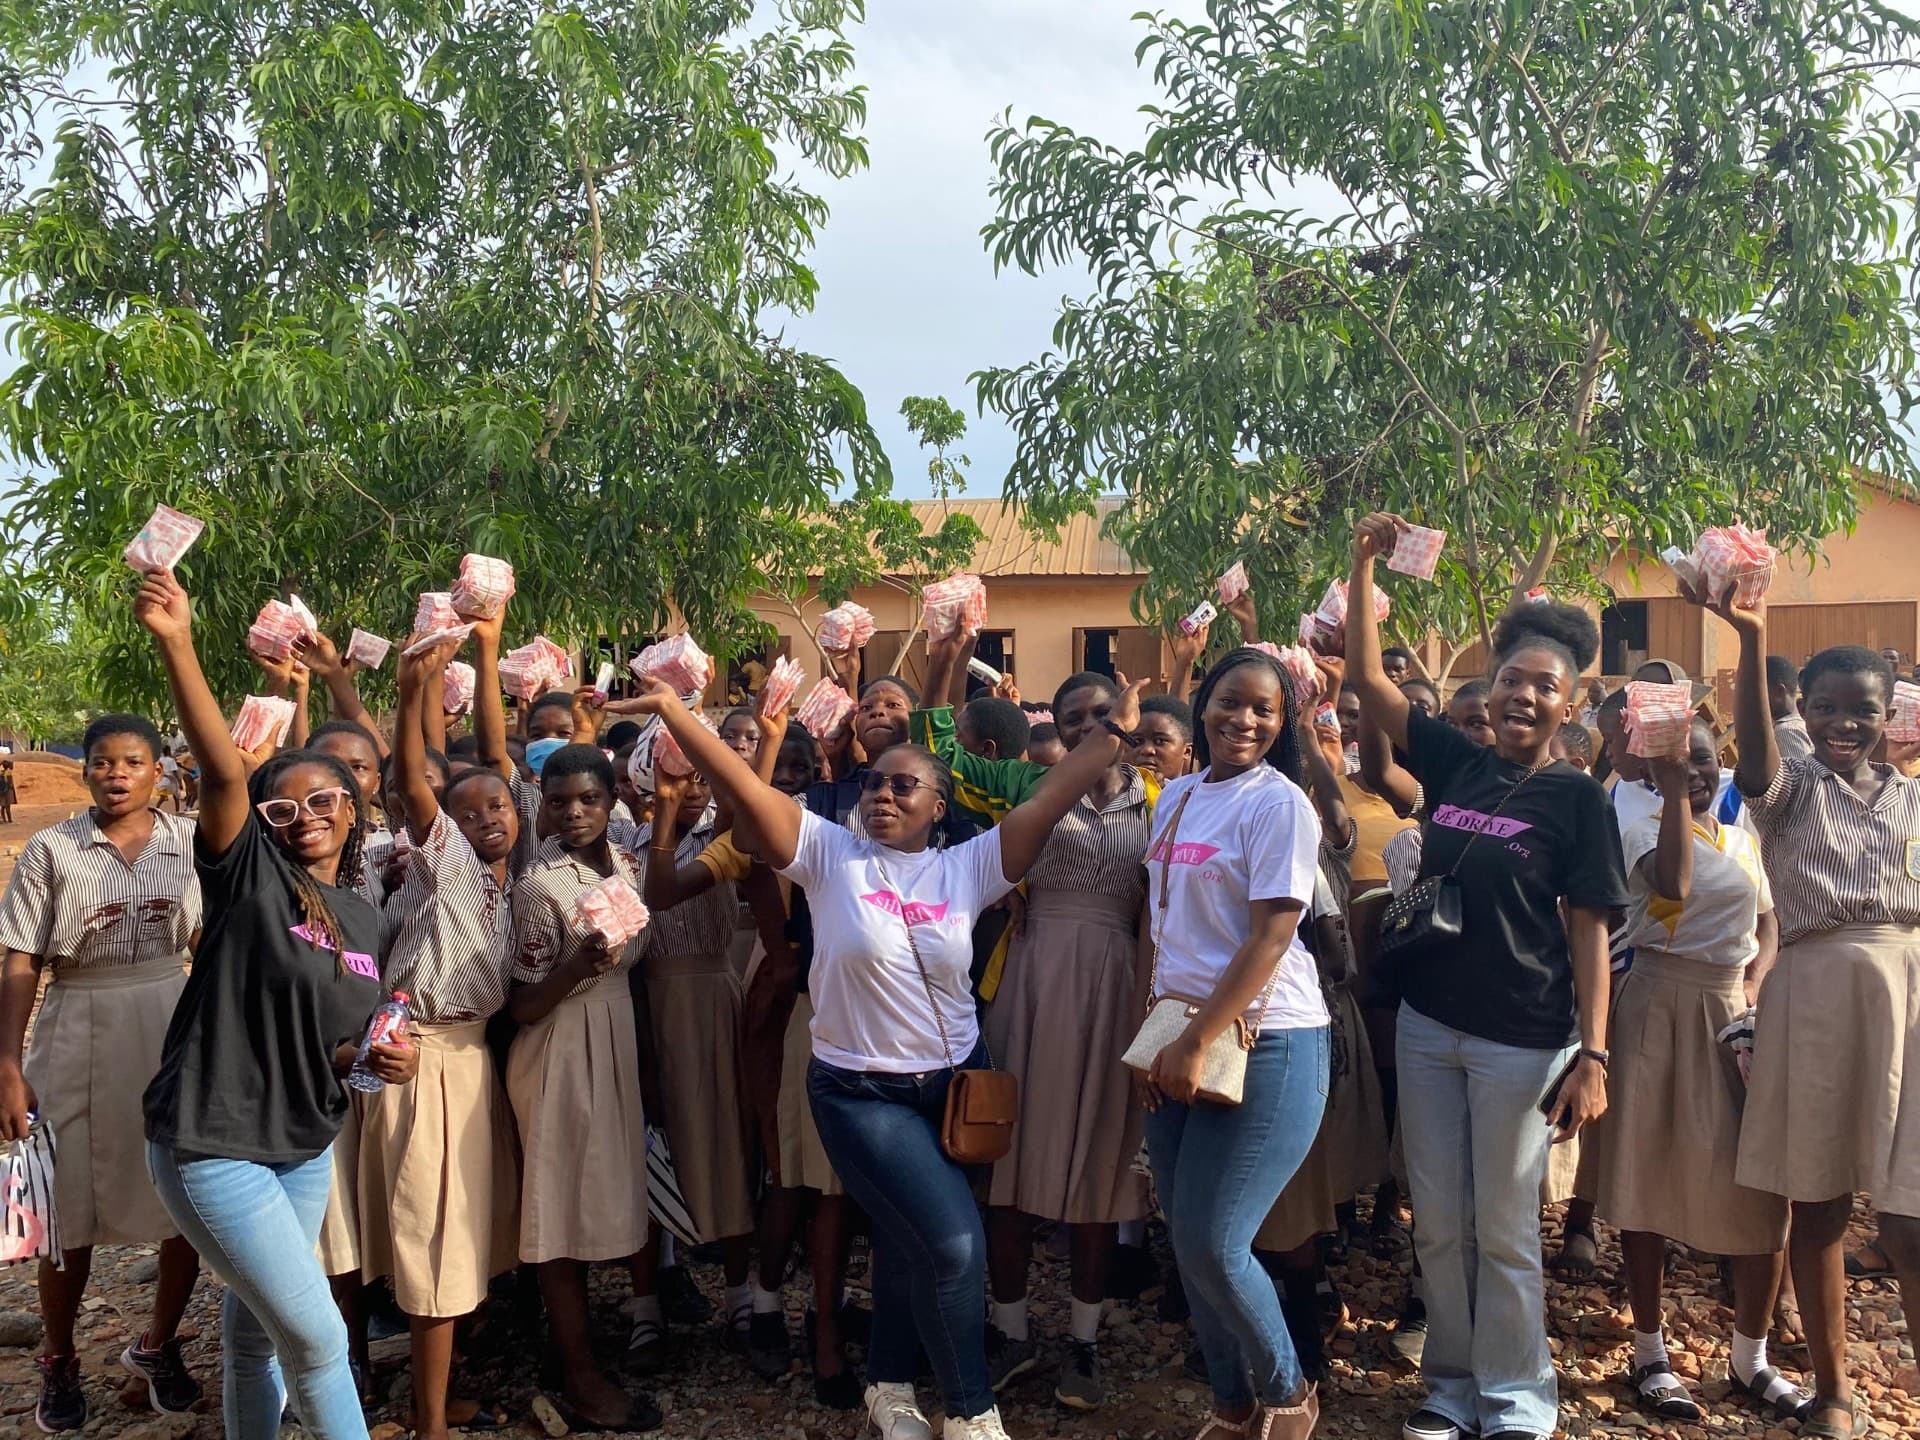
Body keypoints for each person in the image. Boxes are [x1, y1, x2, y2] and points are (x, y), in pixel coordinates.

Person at [622, 667, 1147, 1440]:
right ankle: (973, 1414)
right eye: (874, 785)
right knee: (955, 1242)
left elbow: (1054, 791)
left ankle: (889, 1388)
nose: (885, 795)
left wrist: (1117, 733)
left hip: (953, 1092)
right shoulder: (829, 854)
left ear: (941, 807)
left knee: (908, 1243)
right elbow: (743, 789)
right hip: (859, 1094)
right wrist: (675, 709)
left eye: (907, 787)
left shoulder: (967, 866)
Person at [1346, 514, 1627, 1440]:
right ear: (1494, 687)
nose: (1523, 695)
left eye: (1545, 687)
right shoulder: (1458, 760)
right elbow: (1370, 687)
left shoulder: (1576, 798)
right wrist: (1359, 570)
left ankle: (1517, 1397)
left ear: (1569, 704)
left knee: (1505, 1229)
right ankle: (1450, 1386)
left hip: (1523, 1037)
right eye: (1512, 679)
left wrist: (1594, 1052)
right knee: (1440, 1221)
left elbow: (1590, 929)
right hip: (1431, 1026)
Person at [134, 567, 417, 1440]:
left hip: (301, 1146)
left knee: (255, 1335)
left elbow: (336, 1045)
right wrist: (179, 643)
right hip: (212, 1141)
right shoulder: (250, 878)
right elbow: (223, 774)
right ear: (261, 821)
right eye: (283, 806)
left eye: (325, 798)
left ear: (354, 804)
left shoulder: (365, 915)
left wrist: (375, 1058)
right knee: (321, 1338)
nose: (306, 816)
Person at [1689, 579, 1920, 1440]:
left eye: (1861, 709)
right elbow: (1754, 760)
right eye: (1826, 709)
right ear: (1806, 714)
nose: (1844, 724)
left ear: (1887, 712)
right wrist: (1749, 638)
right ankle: (1835, 1389)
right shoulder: (1790, 797)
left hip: (1909, 992)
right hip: (1818, 989)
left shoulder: (1913, 797)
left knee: (1907, 1211)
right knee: (1820, 1201)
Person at [913, 644, 1160, 1411]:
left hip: (1116, 987)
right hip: (1034, 975)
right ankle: (1012, 1331)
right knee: (1009, 1160)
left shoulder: (1160, 798)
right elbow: (938, 759)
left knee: (1097, 1166)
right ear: (1055, 728)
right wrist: (944, 663)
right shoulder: (1024, 784)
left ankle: (1082, 1344)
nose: (1091, 730)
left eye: (1104, 718)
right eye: (1076, 719)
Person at [1133, 645, 1329, 1440]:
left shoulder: (1279, 804)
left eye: (1263, 710)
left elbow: (1271, 937)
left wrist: (1196, 1039)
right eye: (1228, 702)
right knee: (1186, 1242)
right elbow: (1166, 930)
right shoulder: (1174, 796)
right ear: (1202, 703)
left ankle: (1289, 1394)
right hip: (1179, 1031)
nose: (1242, 720)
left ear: (1282, 725)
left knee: (1217, 1241)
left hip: (1269, 1036)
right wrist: (1157, 1042)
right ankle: (1231, 1404)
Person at [1587, 716, 1804, 1423]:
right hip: (1656, 1001)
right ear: (1653, 769)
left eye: (1706, 761)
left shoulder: (1746, 841)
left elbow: (1769, 921)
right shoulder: (1640, 829)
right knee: (1645, 1171)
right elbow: (1670, 889)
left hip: (1730, 1013)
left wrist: (1756, 979)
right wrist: (1673, 789)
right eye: (1683, 762)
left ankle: (1751, 1357)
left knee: (1761, 1185)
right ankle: (1649, 1351)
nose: (1699, 772)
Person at [0, 714, 205, 1431]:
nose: (116, 773)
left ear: (159, 772)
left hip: (170, 1013)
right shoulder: (53, 850)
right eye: (102, 762)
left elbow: (210, 939)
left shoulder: (189, 843)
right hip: (78, 1018)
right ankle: (59, 1359)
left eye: (132, 762)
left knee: (188, 1194)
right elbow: (22, 957)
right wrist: (7, 1065)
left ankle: (159, 1344)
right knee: (68, 1208)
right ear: (85, 771)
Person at [356, 633, 522, 1440]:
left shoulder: (505, 882)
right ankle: (429, 1424)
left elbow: (488, 761)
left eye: (499, 807)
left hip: (470, 1059)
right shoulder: (446, 864)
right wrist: (410, 692)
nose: (486, 820)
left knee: (456, 1239)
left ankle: (429, 1397)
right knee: (433, 1244)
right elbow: (415, 791)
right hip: (426, 1060)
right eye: (464, 812)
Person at [505, 743, 657, 1432]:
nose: (574, 812)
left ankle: (582, 1348)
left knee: (600, 1199)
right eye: (559, 800)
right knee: (558, 1212)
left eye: (589, 799)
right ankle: (579, 1375)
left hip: (614, 1040)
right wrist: (579, 968)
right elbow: (523, 1006)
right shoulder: (540, 887)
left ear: (611, 802)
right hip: (561, 1049)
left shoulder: (627, 867)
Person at [1767, 655, 1815, 762]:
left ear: (1779, 691)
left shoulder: (1786, 731)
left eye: (1757, 693)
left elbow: (1801, 777)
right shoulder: (1803, 722)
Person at [1137, 695, 1196, 780]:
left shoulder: (1196, 792)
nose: (1147, 750)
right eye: (1138, 740)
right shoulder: (1115, 791)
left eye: (1159, 741)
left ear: (1187, 751)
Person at [1, 758, 17, 824]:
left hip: (2, 791)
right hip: (7, 791)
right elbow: (9, 783)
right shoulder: (8, 773)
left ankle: (4, 819)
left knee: (3, 806)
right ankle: (9, 820)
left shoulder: (1, 772)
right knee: (8, 806)